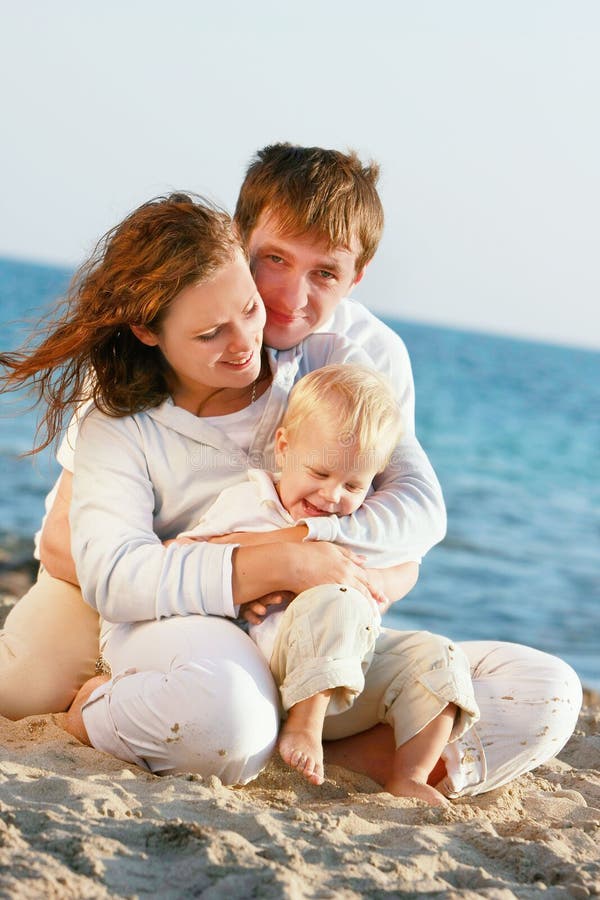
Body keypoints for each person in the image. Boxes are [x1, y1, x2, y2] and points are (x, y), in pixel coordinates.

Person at [0, 145, 581, 799]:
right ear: (237, 238)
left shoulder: (351, 358)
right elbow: (69, 549)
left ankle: (331, 746)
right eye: (273, 260)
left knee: (544, 692)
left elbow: (414, 516)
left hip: (302, 617)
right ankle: (193, 712)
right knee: (24, 689)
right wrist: (256, 567)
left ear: (355, 278)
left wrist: (310, 560)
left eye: (324, 272)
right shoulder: (151, 359)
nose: (285, 297)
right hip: (139, 598)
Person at [174, 363, 479, 803]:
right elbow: (184, 558)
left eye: (353, 484)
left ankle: (409, 774)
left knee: (438, 653)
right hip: (274, 674)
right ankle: (303, 726)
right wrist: (244, 588)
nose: (333, 496)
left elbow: (408, 564)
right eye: (319, 474)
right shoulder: (250, 502)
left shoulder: (352, 523)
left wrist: (373, 580)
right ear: (283, 449)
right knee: (338, 600)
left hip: (348, 681)